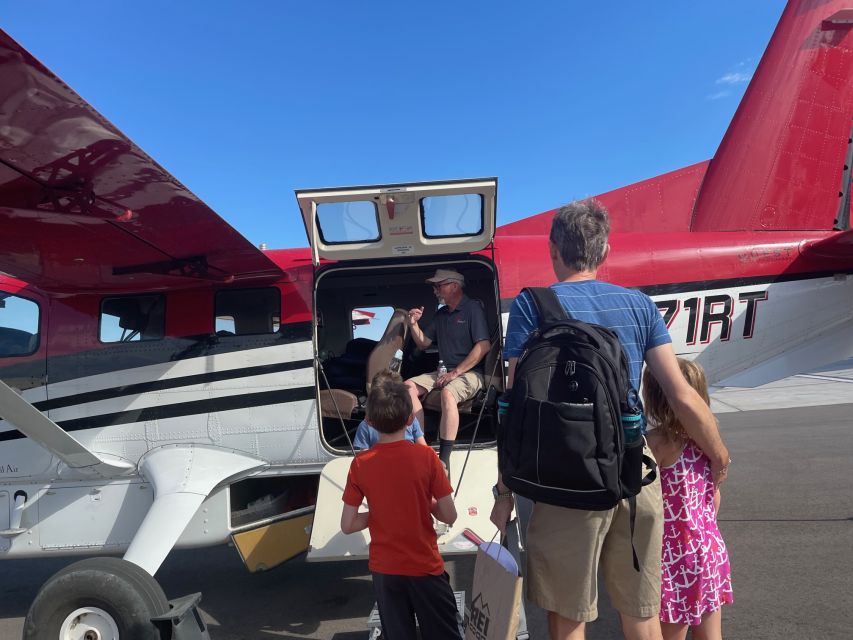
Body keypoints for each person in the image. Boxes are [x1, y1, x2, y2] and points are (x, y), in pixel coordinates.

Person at [490, 199, 730, 640]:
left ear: (554, 250)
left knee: (568, 617)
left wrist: (504, 490)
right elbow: (680, 395)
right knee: (641, 613)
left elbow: (513, 406)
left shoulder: (531, 306)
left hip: (566, 479)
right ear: (604, 252)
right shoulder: (639, 306)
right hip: (634, 476)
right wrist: (720, 458)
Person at [341, 379, 462, 640]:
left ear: (369, 422)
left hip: (386, 572)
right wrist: (423, 503)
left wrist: (383, 511)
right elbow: (449, 515)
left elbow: (348, 525)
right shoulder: (427, 458)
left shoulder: (360, 464)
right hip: (425, 567)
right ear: (410, 420)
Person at [642, 359, 733, 640]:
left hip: (672, 557)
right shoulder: (708, 443)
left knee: (672, 632)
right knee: (710, 633)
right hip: (708, 549)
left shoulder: (654, 443)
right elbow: (713, 500)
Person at [405, 268, 490, 475]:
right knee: (406, 387)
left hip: (471, 372)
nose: (435, 290)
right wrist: (413, 324)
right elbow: (424, 343)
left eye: (438, 285)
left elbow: (484, 346)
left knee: (448, 393)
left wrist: (455, 373)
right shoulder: (442, 314)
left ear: (454, 286)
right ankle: (421, 447)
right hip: (445, 370)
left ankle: (443, 459)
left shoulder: (472, 309)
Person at [353, 370, 428, 449]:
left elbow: (364, 456)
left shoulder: (365, 425)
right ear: (410, 418)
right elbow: (423, 447)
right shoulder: (412, 421)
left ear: (368, 419)